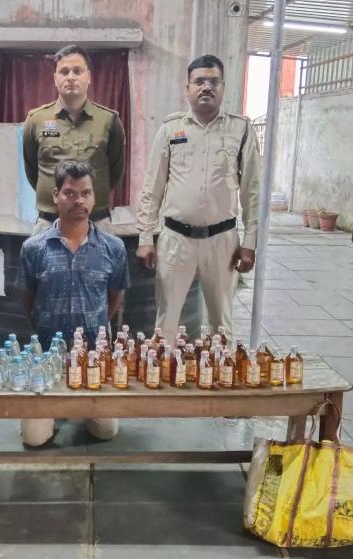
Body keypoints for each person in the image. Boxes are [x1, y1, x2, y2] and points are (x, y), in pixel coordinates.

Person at [135, 54, 261, 344]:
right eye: (199, 81)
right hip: (175, 241)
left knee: (221, 326)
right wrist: (145, 237)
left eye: (213, 81)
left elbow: (252, 192)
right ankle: (163, 370)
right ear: (188, 88)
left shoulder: (241, 130)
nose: (206, 87)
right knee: (166, 324)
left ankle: (221, 372)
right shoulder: (171, 129)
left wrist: (250, 243)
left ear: (223, 87)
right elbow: (152, 188)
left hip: (222, 242)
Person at [17, 160, 130, 447]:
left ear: (93, 197)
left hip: (93, 357)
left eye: (86, 193)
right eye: (70, 193)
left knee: (105, 430)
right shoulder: (34, 248)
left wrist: (97, 325)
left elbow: (115, 295)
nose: (78, 200)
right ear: (56, 195)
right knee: (34, 438)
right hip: (47, 358)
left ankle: (81, 405)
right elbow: (27, 298)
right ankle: (54, 406)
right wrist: (45, 326)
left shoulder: (113, 248)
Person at [22, 45, 126, 236]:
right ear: (55, 78)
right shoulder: (36, 120)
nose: (70, 77)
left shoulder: (109, 121)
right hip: (49, 223)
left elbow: (115, 172)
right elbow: (32, 170)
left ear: (89, 77)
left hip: (96, 222)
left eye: (77, 71)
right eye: (64, 72)